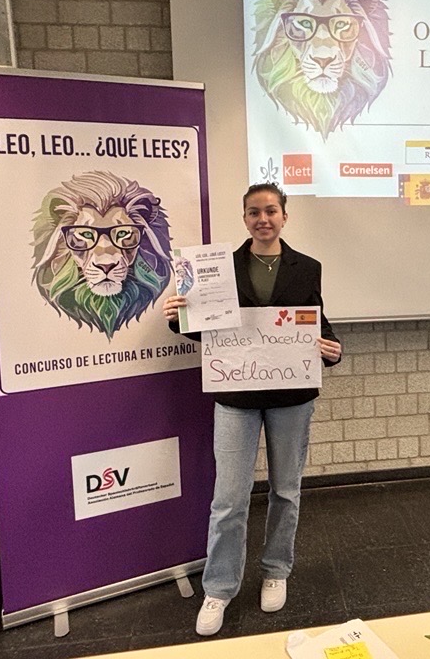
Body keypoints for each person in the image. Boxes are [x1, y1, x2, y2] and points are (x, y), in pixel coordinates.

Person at [163, 182, 342, 637]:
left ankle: (276, 570)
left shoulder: (308, 267)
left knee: (286, 490)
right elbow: (210, 332)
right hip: (236, 397)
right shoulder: (218, 269)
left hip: (290, 397)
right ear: (244, 218)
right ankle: (219, 588)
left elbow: (316, 324)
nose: (263, 219)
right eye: (254, 212)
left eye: (271, 210)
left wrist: (333, 348)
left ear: (284, 216)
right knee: (228, 498)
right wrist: (179, 319)